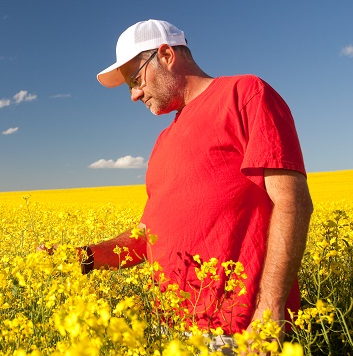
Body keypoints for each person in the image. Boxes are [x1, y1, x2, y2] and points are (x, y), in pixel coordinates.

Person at [81, 19, 313, 338]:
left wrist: (269, 312)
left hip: (240, 332)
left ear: (165, 55)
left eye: (135, 79)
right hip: (173, 333)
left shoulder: (244, 94)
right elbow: (148, 236)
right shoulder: (163, 142)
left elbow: (292, 202)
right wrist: (85, 257)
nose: (134, 95)